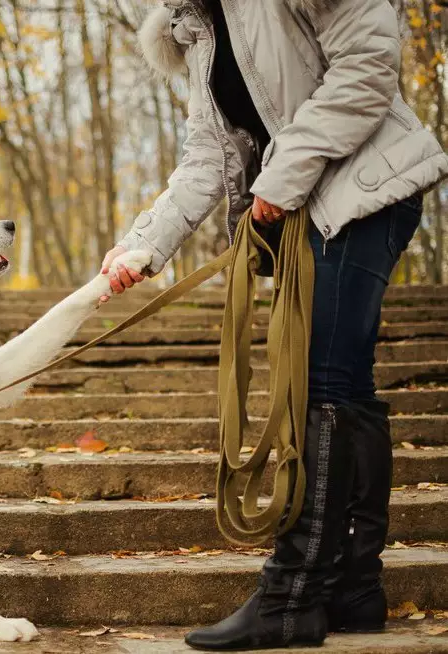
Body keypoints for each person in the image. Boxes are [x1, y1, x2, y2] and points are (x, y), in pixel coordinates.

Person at [100, 0, 448, 651]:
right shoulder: (195, 24)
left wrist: (281, 176)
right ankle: (353, 587)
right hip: (308, 206)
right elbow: (207, 154)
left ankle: (293, 594)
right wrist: (144, 245)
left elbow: (368, 70)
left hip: (365, 188)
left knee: (320, 382)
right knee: (343, 382)